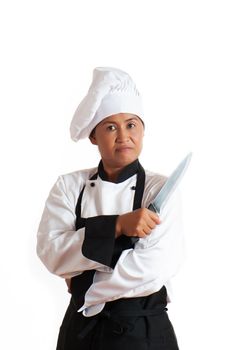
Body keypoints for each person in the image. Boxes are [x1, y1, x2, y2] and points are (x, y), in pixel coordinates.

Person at [37, 67, 184, 350]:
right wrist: (118, 225)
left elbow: (153, 268)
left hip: (143, 332)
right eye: (110, 127)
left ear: (143, 130)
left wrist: (83, 280)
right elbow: (51, 253)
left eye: (131, 125)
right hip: (80, 333)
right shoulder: (69, 186)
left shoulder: (160, 189)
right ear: (93, 137)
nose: (123, 136)